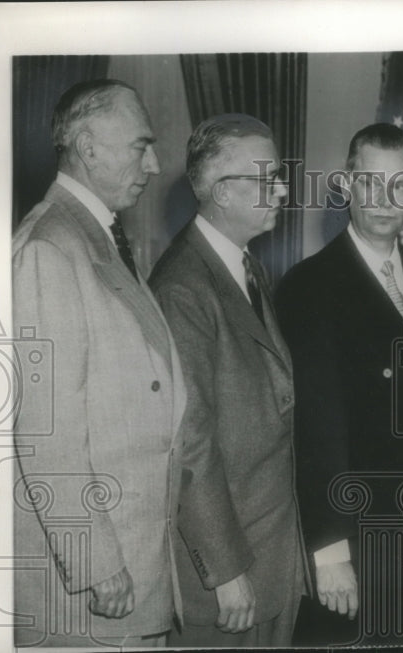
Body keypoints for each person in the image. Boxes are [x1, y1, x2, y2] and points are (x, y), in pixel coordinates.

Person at [275, 123, 403, 646]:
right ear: (346, 185)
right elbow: (314, 431)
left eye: (400, 184)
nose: (385, 199)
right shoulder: (308, 285)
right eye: (370, 183)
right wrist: (330, 551)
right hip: (361, 546)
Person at [11, 79, 186, 647]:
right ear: (88, 148)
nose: (154, 165)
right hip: (91, 593)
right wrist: (93, 561)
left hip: (131, 568)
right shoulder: (49, 246)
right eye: (141, 145)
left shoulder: (94, 235)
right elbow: (46, 432)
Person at [148, 114, 309, 647]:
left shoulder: (243, 267)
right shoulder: (182, 287)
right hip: (229, 580)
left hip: (269, 555)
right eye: (268, 178)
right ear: (221, 192)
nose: (281, 190)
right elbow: (188, 442)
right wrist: (224, 569)